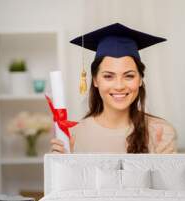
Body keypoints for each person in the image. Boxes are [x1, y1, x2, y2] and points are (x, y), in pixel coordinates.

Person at [50, 23, 177, 154]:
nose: (119, 86)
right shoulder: (73, 136)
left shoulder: (160, 132)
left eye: (129, 76)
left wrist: (163, 163)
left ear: (140, 79)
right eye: (108, 76)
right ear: (95, 80)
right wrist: (61, 164)